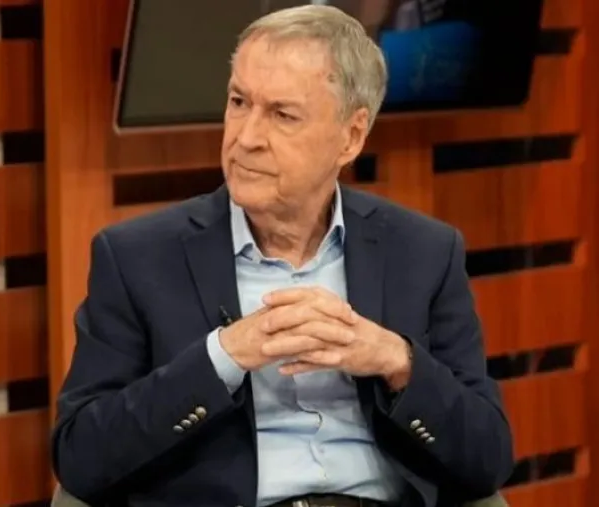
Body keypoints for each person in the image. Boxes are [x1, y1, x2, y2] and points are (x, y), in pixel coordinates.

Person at [51, 5, 513, 507]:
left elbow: (487, 458)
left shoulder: (424, 252)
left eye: (282, 115)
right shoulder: (138, 258)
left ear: (351, 136)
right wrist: (222, 358)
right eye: (238, 102)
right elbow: (80, 457)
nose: (246, 138)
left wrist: (397, 361)